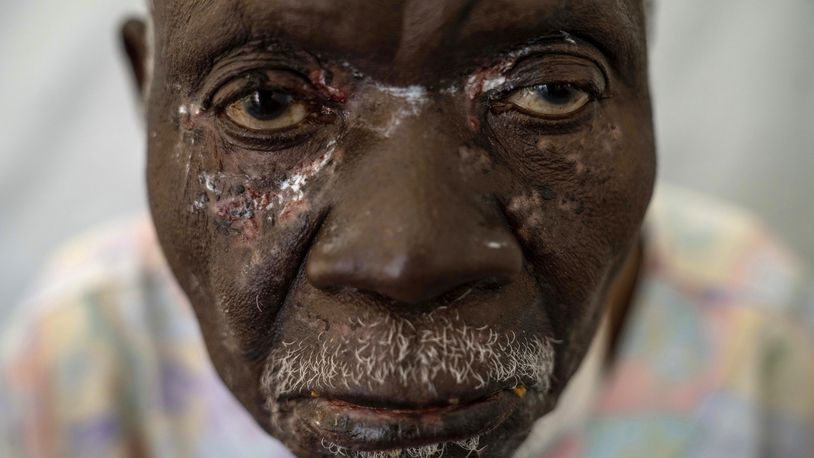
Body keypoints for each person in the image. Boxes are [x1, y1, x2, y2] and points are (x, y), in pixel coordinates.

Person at [1, 1, 812, 457]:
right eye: (265, 103)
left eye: (549, 93)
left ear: (644, 78)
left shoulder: (757, 342)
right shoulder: (84, 361)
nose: (407, 256)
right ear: (149, 96)